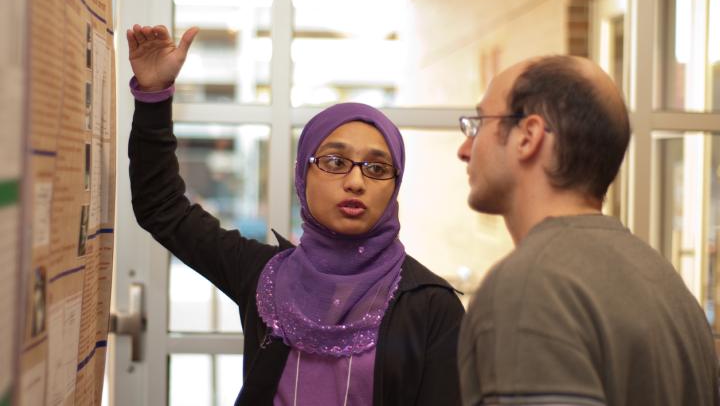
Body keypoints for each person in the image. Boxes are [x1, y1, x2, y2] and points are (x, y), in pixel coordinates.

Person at [126, 24, 464, 405]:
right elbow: (162, 209)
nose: (355, 181)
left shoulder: (431, 307)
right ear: (303, 174)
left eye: (377, 168)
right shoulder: (265, 277)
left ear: (394, 186)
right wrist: (153, 98)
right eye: (335, 161)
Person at [456, 55, 719, 406]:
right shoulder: (667, 284)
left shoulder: (529, 286)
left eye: (477, 125)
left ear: (528, 137)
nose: (464, 149)